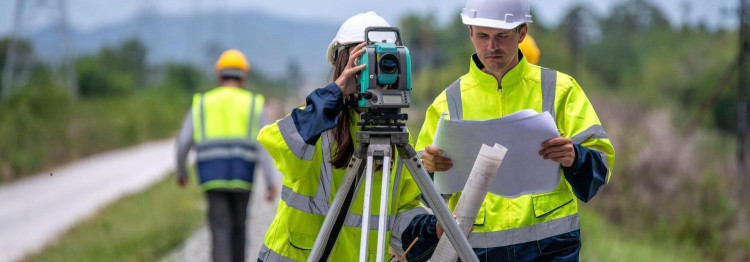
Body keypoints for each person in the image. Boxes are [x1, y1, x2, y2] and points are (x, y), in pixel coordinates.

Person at [412, 0, 616, 260]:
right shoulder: (447, 102)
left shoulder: (560, 89)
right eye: (483, 36)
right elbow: (419, 193)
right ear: (470, 32)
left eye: (502, 36)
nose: (491, 46)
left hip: (551, 248)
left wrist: (575, 156)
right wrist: (429, 168)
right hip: (477, 250)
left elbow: (600, 165)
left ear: (522, 33)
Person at [256, 11, 444, 262]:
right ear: (344, 62)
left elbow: (400, 213)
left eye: (385, 59)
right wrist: (334, 94)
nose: (377, 67)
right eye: (365, 58)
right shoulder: (318, 122)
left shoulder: (397, 137)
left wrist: (432, 229)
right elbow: (277, 143)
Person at [175, 49, 279, 262]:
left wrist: (181, 170)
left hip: (211, 175)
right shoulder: (254, 103)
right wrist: (271, 181)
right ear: (244, 75)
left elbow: (183, 141)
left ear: (219, 75)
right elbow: (265, 145)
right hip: (243, 174)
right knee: (239, 227)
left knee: (220, 228)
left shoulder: (203, 102)